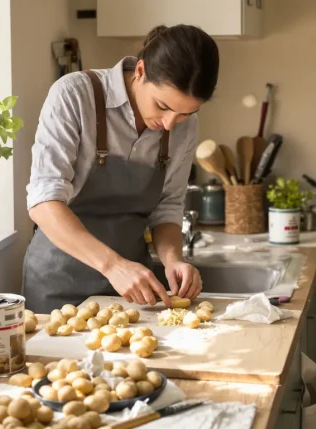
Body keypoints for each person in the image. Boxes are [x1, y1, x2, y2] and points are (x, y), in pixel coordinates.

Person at [23, 24, 219, 314]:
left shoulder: (183, 125)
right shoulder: (74, 94)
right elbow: (43, 201)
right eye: (162, 106)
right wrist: (113, 266)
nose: (169, 124)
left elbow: (167, 206)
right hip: (58, 283)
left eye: (186, 113)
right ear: (140, 71)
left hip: (134, 290)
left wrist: (173, 259)